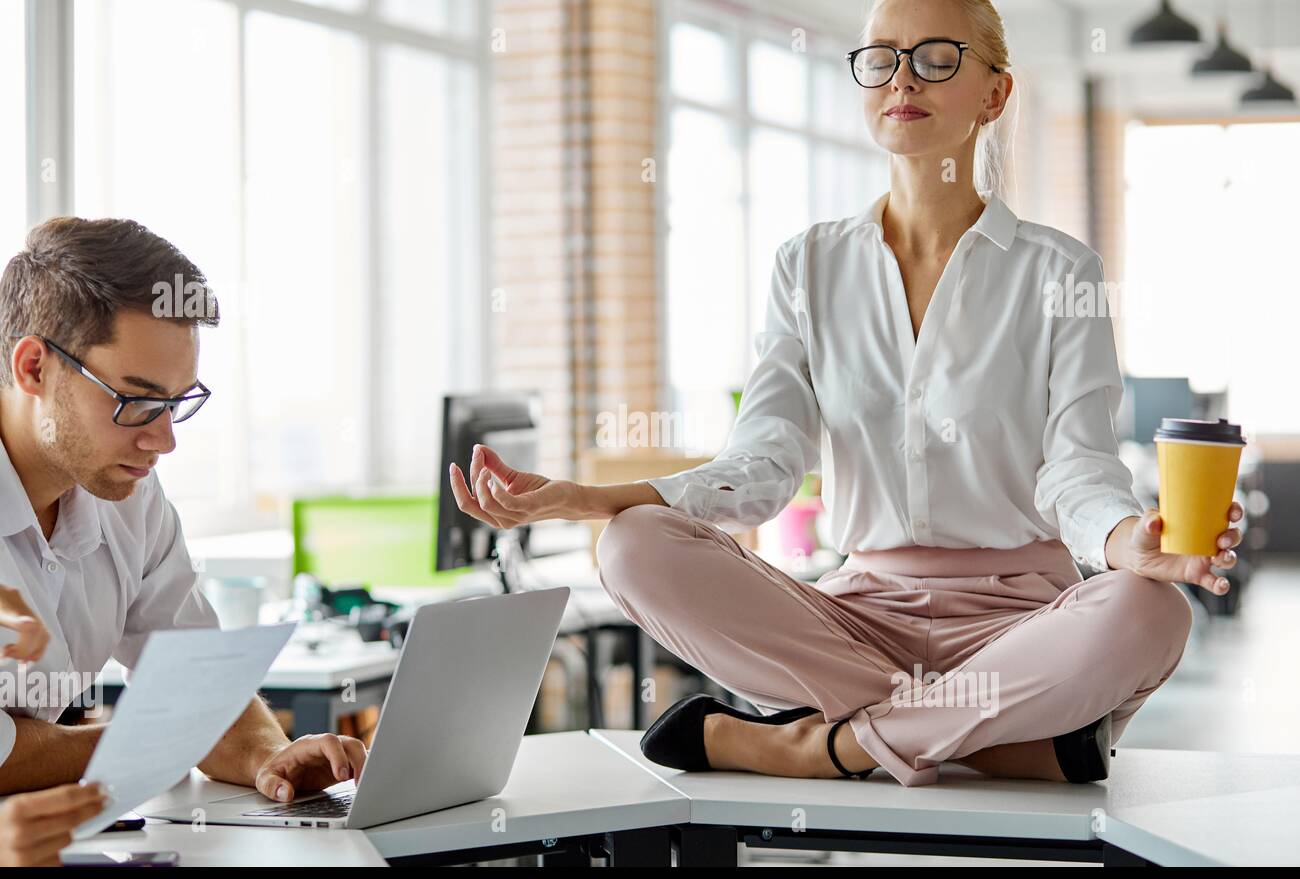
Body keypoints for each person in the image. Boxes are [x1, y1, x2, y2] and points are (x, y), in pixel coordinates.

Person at [447, 0, 1242, 788]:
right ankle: (984, 739)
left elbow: (1078, 472)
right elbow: (764, 464)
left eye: (937, 57)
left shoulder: (1061, 272)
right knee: (631, 544)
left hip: (1023, 626)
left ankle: (822, 747)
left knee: (1152, 610)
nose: (903, 78)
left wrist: (1127, 538)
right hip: (854, 623)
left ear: (995, 94)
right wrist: (590, 498)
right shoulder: (809, 266)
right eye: (882, 58)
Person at [0, 217, 367, 808]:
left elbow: (197, 683)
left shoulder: (128, 496)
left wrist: (265, 757)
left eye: (176, 403)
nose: (164, 440)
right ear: (34, 368)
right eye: (138, 401)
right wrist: (154, 740)